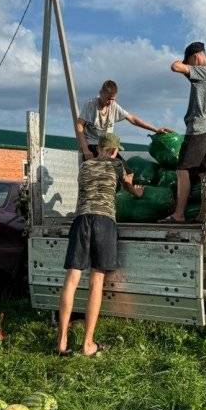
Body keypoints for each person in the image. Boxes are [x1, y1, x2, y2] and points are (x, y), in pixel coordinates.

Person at [56, 132, 143, 357]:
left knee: (72, 279)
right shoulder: (117, 165)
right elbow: (129, 187)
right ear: (114, 150)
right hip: (104, 221)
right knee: (96, 280)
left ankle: (62, 341)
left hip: (81, 220)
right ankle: (87, 345)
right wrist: (137, 189)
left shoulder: (85, 167)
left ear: (98, 148)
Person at [161, 41, 206, 223]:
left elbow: (175, 67)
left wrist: (181, 62)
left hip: (197, 131)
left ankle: (179, 214)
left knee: (182, 170)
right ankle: (204, 214)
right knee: (202, 173)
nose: (189, 65)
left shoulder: (203, 71)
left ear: (196, 57)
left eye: (190, 61)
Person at [76, 80, 172, 160]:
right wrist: (85, 150)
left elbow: (133, 119)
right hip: (92, 145)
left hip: (108, 146)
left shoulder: (114, 106)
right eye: (108, 99)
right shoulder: (90, 105)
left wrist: (156, 129)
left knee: (127, 176)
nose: (110, 102)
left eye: (112, 99)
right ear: (101, 93)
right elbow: (79, 125)